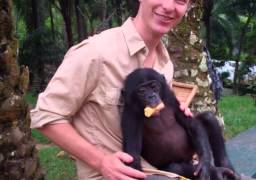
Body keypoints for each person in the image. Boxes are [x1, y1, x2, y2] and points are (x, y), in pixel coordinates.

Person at [30, 0, 193, 179]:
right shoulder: (96, 52)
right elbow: (47, 115)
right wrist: (100, 161)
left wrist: (179, 118)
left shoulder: (165, 64)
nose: (169, 6)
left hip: (163, 172)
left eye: (181, 0)